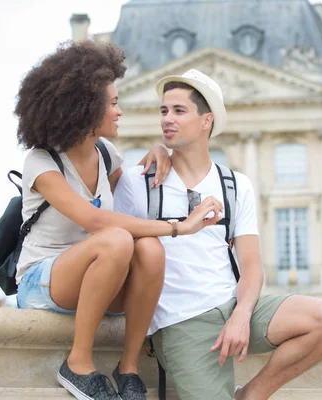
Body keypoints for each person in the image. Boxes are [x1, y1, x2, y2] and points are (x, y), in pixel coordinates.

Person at [113, 69, 322, 400]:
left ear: (206, 120)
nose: (167, 118)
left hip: (235, 307)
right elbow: (116, 247)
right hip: (182, 322)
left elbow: (252, 265)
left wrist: (241, 315)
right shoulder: (138, 182)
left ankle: (250, 395)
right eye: (164, 111)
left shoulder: (236, 185)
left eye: (179, 111)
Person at [13, 43, 223, 400]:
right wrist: (180, 227)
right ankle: (77, 364)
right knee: (117, 239)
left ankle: (128, 367)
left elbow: (132, 187)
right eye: (111, 103)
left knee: (150, 251)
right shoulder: (41, 161)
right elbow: (95, 220)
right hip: (43, 280)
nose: (119, 111)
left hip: (99, 276)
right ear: (83, 108)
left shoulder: (105, 154)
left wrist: (161, 151)